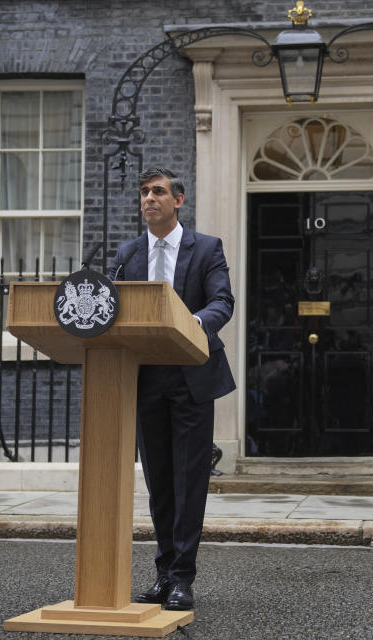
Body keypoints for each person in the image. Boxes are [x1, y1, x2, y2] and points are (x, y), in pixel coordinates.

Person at [111, 167, 235, 611]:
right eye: (144, 193)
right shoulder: (127, 254)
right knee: (160, 482)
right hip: (145, 379)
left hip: (191, 376)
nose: (149, 199)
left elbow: (222, 301)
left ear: (178, 200)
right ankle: (164, 573)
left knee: (189, 482)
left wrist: (191, 323)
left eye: (158, 192)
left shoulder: (206, 248)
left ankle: (184, 577)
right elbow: (112, 307)